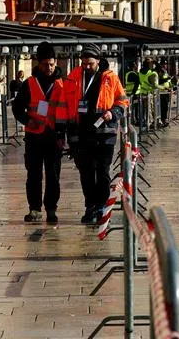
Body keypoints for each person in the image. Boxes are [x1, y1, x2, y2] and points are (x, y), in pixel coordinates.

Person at [64, 43, 129, 225]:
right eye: (83, 63)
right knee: (85, 172)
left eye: (90, 63)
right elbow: (66, 103)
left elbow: (123, 101)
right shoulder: (74, 77)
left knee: (102, 172)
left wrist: (113, 113)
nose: (86, 67)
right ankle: (90, 206)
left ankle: (101, 206)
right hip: (81, 133)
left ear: (98, 62)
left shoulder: (110, 78)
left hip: (104, 133)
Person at [11, 42, 70, 225]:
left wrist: (63, 135)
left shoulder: (63, 84)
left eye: (52, 64)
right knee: (34, 174)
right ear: (38, 63)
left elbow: (67, 111)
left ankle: (51, 209)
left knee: (53, 176)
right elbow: (17, 107)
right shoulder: (29, 83)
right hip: (34, 136)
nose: (49, 68)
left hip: (54, 137)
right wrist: (27, 120)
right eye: (46, 64)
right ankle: (34, 209)